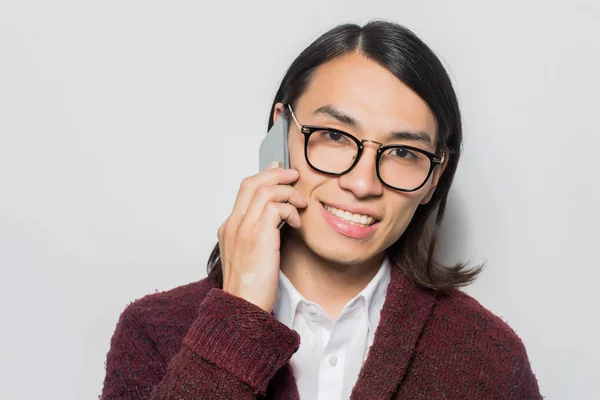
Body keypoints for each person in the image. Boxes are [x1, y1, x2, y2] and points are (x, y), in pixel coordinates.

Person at [100, 20, 542, 399]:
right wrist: (236, 320)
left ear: (433, 178)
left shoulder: (489, 358)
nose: (362, 183)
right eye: (333, 136)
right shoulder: (156, 332)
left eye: (404, 152)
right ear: (279, 132)